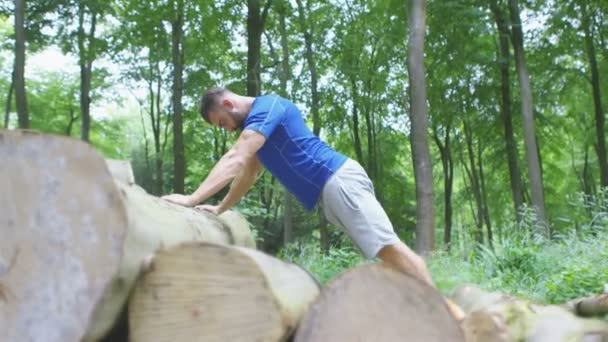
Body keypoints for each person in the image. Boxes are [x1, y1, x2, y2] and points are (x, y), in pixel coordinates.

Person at [162, 87, 462, 318]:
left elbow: (236, 158)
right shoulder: (256, 129)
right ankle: (430, 317)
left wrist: (191, 199)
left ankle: (450, 318)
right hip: (331, 190)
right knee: (386, 254)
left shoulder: (268, 108)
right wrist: (219, 208)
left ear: (228, 104)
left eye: (222, 122)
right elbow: (247, 174)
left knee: (389, 247)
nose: (226, 128)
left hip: (338, 180)